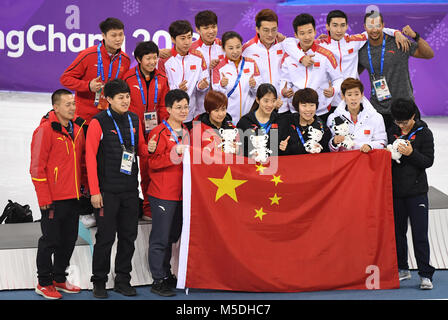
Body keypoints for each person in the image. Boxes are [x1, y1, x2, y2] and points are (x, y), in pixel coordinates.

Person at [60, 17, 131, 228]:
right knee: (83, 162)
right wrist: (87, 86)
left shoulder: (125, 60)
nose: (118, 39)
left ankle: (102, 206)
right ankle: (83, 209)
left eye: (121, 35)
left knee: (105, 162)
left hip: (108, 119)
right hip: (85, 119)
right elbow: (65, 78)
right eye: (113, 35)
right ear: (104, 36)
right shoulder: (89, 55)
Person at [85, 79, 149, 298]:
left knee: (128, 236)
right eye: (120, 97)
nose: (125, 100)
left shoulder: (134, 119)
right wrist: (94, 191)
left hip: (130, 190)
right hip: (107, 192)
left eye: (128, 96)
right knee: (105, 238)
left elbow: (140, 149)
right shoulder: (98, 122)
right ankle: (99, 281)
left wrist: (153, 147)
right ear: (109, 99)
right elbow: (90, 158)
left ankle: (123, 279)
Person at [282, 10, 408, 108]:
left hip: (353, 95)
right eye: (335, 25)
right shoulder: (319, 44)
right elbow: (289, 43)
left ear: (347, 26)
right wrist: (301, 57)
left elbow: (374, 29)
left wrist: (396, 32)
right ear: (327, 26)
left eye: (342, 25)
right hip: (330, 98)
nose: (339, 30)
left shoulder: (354, 40)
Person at [30, 89, 86, 299]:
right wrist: (44, 198)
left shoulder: (77, 129)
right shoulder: (45, 130)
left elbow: (79, 163)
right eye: (67, 104)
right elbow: (36, 167)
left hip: (73, 197)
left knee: (69, 239)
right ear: (56, 107)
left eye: (73, 103)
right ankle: (44, 282)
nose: (72, 107)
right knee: (50, 240)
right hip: (53, 199)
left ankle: (59, 277)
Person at [387, 98, 435, 290]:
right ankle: (402, 268)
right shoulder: (392, 131)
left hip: (417, 193)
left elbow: (428, 161)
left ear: (413, 116)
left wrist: (410, 153)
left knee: (420, 235)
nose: (401, 126)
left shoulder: (424, 133)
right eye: (398, 122)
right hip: (396, 192)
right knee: (398, 234)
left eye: (405, 122)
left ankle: (425, 274)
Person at [147, 89, 191, 297]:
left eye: (186, 107)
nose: (183, 111)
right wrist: (175, 153)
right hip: (163, 193)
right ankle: (157, 279)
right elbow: (152, 163)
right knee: (160, 237)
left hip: (183, 194)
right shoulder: (157, 132)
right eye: (179, 107)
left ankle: (165, 273)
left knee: (173, 236)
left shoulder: (188, 131)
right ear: (168, 109)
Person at [358, 10, 434, 129]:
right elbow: (352, 71)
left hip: (405, 106)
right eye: (370, 26)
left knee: (411, 146)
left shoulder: (398, 42)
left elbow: (429, 54)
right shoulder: (361, 48)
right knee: (383, 147)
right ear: (364, 27)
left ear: (383, 25)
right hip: (378, 110)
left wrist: (415, 36)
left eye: (378, 25)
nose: (374, 30)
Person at [124, 40, 170, 221]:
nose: (152, 62)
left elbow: (164, 107)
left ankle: (149, 208)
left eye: (155, 58)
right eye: (148, 58)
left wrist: (161, 130)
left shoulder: (162, 79)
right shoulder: (128, 78)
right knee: (128, 170)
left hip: (153, 132)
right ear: (138, 59)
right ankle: (132, 206)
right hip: (131, 131)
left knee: (150, 170)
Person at [279, 13, 343, 125]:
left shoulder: (326, 55)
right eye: (302, 33)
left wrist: (333, 89)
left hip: (321, 111)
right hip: (296, 111)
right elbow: (285, 81)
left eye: (310, 32)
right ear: (296, 35)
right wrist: (284, 91)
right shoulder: (289, 57)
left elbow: (338, 78)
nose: (307, 37)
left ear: (315, 32)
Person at [158, 20, 209, 125]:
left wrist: (202, 85)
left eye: (189, 37)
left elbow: (203, 79)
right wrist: (177, 89)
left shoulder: (198, 56)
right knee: (175, 141)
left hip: (193, 115)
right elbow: (161, 87)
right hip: (171, 115)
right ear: (173, 39)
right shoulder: (164, 59)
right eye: (182, 38)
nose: (187, 42)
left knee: (194, 141)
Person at [212, 31, 261, 124]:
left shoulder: (251, 63)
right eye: (230, 48)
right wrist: (222, 86)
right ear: (223, 48)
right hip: (227, 118)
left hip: (248, 117)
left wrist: (254, 86)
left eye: (238, 47)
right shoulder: (218, 67)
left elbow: (258, 91)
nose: (235, 51)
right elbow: (217, 97)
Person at [327, 78, 387, 153]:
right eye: (349, 95)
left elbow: (382, 142)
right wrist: (334, 142)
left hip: (367, 160)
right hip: (344, 161)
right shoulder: (333, 117)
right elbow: (329, 149)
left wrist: (370, 146)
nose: (353, 98)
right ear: (343, 96)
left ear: (362, 95)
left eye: (356, 94)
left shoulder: (376, 117)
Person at [242, 9, 286, 106]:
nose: (270, 34)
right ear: (257, 29)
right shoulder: (247, 49)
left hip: (282, 104)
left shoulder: (285, 46)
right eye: (266, 30)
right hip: (258, 105)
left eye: (274, 30)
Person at [278, 88, 331, 155]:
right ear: (297, 106)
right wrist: (282, 149)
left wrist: (319, 151)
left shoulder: (322, 127)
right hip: (291, 164)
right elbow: (273, 147)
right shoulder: (287, 121)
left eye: (312, 105)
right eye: (304, 105)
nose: (308, 109)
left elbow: (327, 155)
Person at [237, 83, 282, 158]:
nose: (270, 105)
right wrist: (250, 154)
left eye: (273, 101)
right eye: (266, 101)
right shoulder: (245, 122)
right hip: (250, 166)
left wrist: (284, 147)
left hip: (273, 166)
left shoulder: (280, 120)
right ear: (257, 100)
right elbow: (239, 148)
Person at [192, 90, 237, 155]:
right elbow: (195, 156)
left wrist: (237, 149)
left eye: (223, 109)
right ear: (208, 110)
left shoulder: (231, 126)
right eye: (216, 110)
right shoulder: (198, 130)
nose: (220, 114)